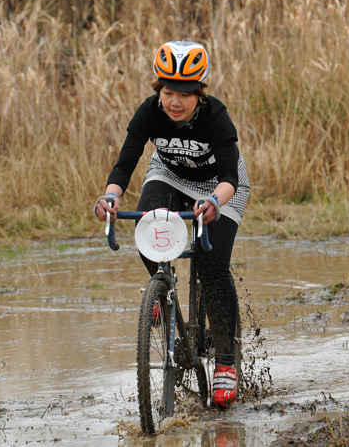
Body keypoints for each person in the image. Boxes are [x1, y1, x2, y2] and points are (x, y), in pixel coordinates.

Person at [93, 40, 250, 407]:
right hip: (169, 175)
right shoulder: (149, 112)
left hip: (221, 188)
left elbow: (229, 175)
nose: (175, 102)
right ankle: (162, 292)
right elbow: (126, 163)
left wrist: (213, 201)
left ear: (199, 94)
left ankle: (226, 362)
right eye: (167, 92)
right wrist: (111, 196)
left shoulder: (216, 117)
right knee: (147, 227)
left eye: (184, 94)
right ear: (158, 89)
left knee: (212, 268)